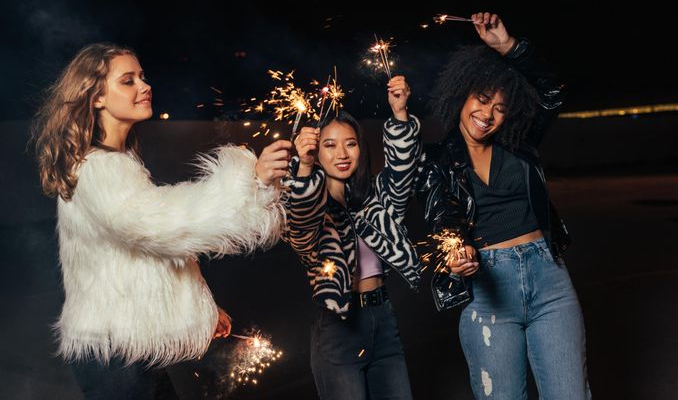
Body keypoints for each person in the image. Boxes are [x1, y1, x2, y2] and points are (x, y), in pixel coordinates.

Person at [32, 43, 290, 399]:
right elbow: (163, 225)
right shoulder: (97, 169)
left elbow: (144, 253)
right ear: (96, 98)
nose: (144, 86)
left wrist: (201, 308)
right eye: (128, 81)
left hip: (128, 345)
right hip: (114, 353)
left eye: (142, 77)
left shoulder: (119, 162)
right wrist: (251, 180)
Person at [418, 12, 591, 399]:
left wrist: (509, 47)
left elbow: (552, 92)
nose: (488, 115)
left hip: (549, 278)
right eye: (482, 100)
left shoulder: (520, 141)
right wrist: (455, 252)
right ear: (461, 94)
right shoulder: (438, 160)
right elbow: (442, 214)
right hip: (487, 288)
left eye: (500, 107)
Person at [286, 76, 422, 400]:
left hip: (384, 320)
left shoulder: (374, 199)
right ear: (315, 152)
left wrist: (400, 114)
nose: (342, 153)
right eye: (329, 145)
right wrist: (302, 167)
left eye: (351, 143)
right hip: (338, 328)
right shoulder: (309, 210)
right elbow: (301, 221)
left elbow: (401, 176)